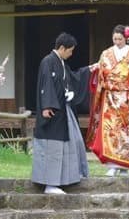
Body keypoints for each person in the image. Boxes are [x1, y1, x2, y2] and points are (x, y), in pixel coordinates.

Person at [87, 24, 129, 176]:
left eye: (119, 39)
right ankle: (112, 165)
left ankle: (124, 165)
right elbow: (101, 72)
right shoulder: (106, 54)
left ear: (126, 38)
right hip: (110, 97)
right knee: (110, 130)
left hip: (127, 97)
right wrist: (96, 69)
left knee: (126, 131)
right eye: (115, 39)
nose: (117, 41)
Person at [31, 31, 94, 194]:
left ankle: (66, 179)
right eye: (70, 50)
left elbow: (72, 78)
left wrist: (89, 69)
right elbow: (46, 85)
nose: (71, 53)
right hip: (52, 112)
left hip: (63, 112)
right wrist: (47, 106)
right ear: (62, 48)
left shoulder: (61, 63)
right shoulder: (48, 62)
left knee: (73, 143)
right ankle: (50, 184)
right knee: (52, 147)